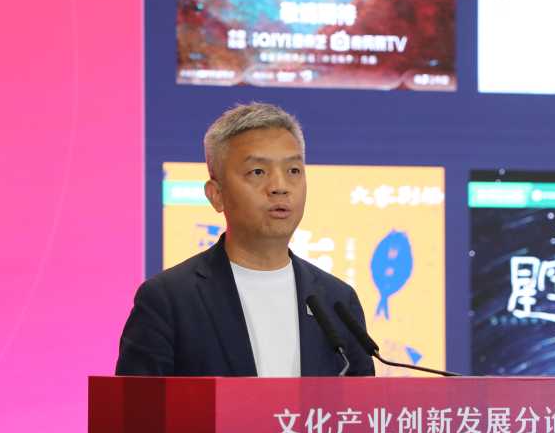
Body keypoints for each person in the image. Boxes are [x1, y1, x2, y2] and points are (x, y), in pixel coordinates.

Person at [116, 102, 376, 377]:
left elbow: (362, 402)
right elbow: (135, 404)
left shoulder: (337, 301)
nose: (280, 187)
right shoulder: (169, 300)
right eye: (258, 172)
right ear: (216, 195)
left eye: (293, 171)